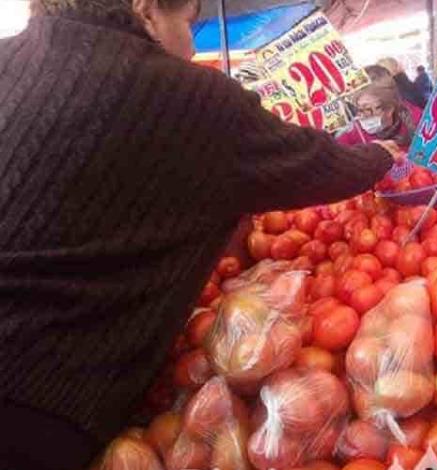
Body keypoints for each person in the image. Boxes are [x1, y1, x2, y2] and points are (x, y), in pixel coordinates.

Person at [0, 1, 402, 469]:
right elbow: (314, 166)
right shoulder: (185, 95)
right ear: (147, 11)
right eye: (189, 24)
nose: (192, 47)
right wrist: (379, 156)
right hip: (36, 408)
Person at [337, 80, 422, 151]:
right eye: (358, 110)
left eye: (367, 109)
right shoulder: (353, 133)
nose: (362, 116)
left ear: (389, 109)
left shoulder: (418, 123)